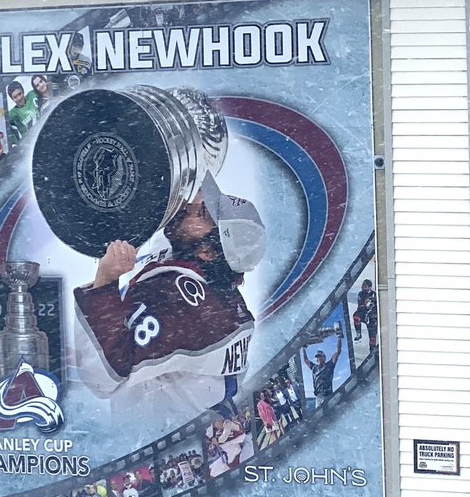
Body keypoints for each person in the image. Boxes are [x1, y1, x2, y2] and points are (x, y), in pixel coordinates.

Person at [72, 172, 267, 424]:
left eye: (202, 214)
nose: (191, 204)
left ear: (207, 252)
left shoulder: (176, 300)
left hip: (159, 445)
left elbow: (104, 375)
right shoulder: (213, 284)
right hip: (198, 431)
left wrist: (105, 281)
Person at [303, 330, 342, 404]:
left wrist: (339, 338)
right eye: (317, 357)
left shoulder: (330, 365)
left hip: (328, 395)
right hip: (318, 397)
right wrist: (304, 349)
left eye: (320, 357)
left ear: (324, 357)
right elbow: (306, 360)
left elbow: (337, 352)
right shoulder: (314, 367)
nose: (318, 359)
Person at [352, 279, 379, 350]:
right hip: (363, 314)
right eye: (363, 286)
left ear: (370, 287)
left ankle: (372, 351)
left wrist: (372, 305)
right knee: (356, 316)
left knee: (372, 337)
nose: (363, 287)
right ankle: (358, 333)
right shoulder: (361, 294)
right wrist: (365, 304)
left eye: (365, 286)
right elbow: (360, 306)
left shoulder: (375, 295)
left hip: (373, 317)